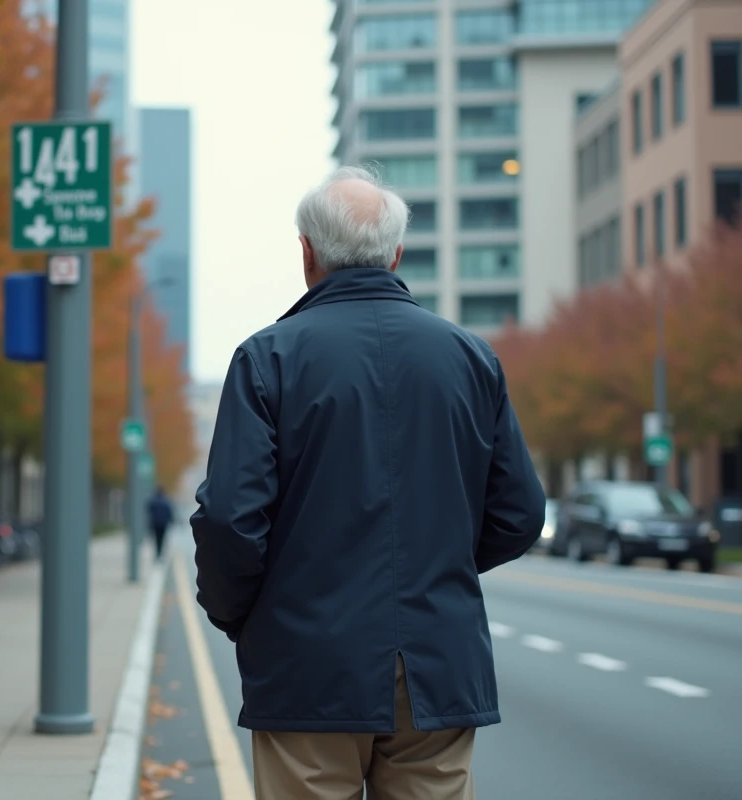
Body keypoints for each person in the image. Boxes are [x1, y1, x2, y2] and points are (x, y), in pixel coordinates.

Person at [190, 165, 545, 799]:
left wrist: (243, 613)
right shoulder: (470, 358)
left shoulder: (267, 359)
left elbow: (228, 520)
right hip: (438, 661)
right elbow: (519, 513)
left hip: (305, 659)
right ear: (396, 254)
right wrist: (437, 569)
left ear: (307, 253)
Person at [147, 486, 175, 559]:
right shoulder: (166, 501)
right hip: (163, 524)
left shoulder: (153, 501)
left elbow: (149, 510)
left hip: (155, 523)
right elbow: (169, 513)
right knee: (162, 538)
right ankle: (160, 552)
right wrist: (171, 521)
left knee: (157, 538)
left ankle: (158, 552)